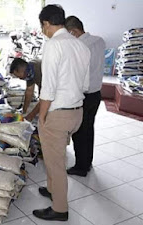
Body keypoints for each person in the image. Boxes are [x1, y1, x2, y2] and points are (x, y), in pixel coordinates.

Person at [32, 5, 90, 221]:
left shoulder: (53, 45)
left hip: (58, 113)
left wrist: (42, 116)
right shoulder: (80, 46)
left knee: (55, 163)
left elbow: (48, 88)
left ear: (47, 24)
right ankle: (52, 189)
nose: (43, 30)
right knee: (53, 156)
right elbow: (85, 85)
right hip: (77, 112)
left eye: (42, 26)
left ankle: (60, 208)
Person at [65, 16, 105, 177]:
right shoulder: (99, 41)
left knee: (79, 132)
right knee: (89, 129)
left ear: (73, 31)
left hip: (82, 96)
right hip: (96, 95)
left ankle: (81, 167)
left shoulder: (78, 47)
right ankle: (87, 162)